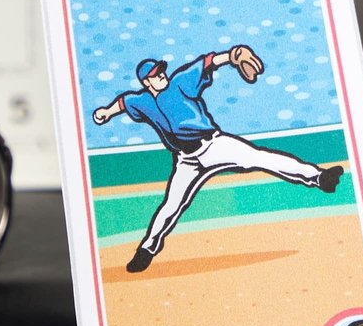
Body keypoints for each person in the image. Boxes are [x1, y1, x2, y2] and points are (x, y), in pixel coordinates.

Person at [93, 45, 344, 273]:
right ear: (146, 82)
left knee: (260, 157)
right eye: (155, 75)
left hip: (213, 145)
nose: (161, 76)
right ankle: (147, 249)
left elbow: (207, 62)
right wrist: (106, 111)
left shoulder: (179, 82)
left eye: (161, 71)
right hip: (186, 160)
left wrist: (233, 56)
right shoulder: (143, 101)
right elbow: (124, 102)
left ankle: (319, 177)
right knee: (171, 205)